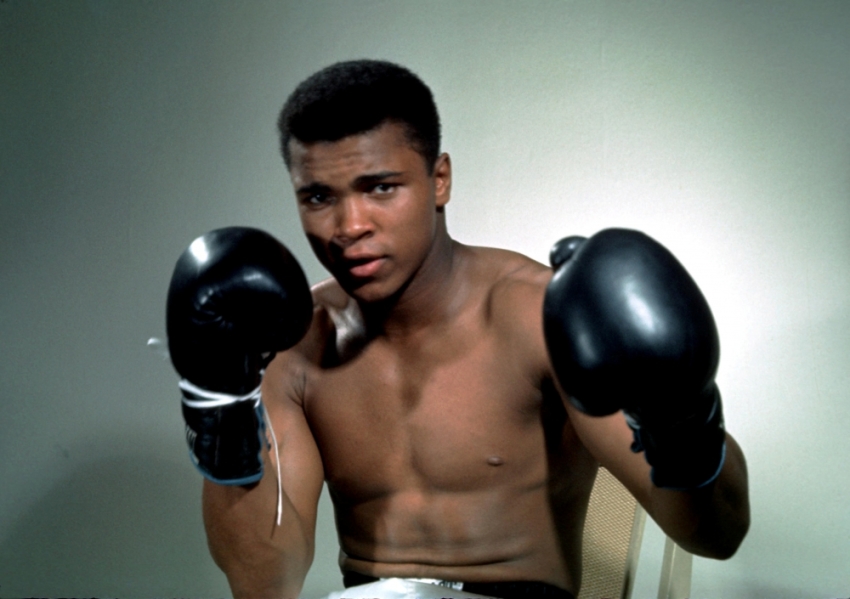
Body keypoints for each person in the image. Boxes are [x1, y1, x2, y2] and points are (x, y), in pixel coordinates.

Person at [169, 60, 750, 599]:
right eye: (319, 197)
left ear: (439, 179)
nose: (349, 226)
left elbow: (718, 535)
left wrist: (682, 419)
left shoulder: (537, 317)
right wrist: (219, 404)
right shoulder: (292, 348)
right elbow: (265, 584)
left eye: (380, 188)